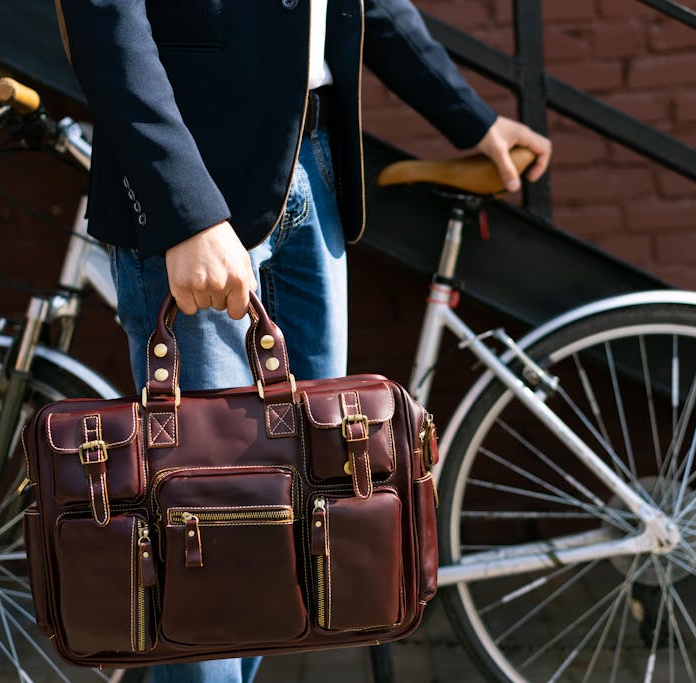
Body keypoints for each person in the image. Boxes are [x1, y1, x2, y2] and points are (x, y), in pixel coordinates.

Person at [54, 0, 551, 681]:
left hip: (312, 167)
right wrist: (183, 211)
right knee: (209, 528)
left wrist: (470, 117)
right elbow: (105, 15)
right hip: (201, 184)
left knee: (288, 516)